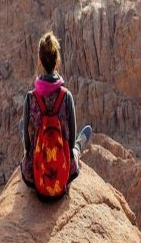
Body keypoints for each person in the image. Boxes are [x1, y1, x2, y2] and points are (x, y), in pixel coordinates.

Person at [20, 31, 92, 199]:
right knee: (80, 140)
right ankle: (82, 145)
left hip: (36, 179)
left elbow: (28, 145)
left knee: (22, 130)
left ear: (39, 60)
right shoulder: (66, 96)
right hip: (63, 175)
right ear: (57, 60)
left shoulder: (30, 99)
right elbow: (71, 140)